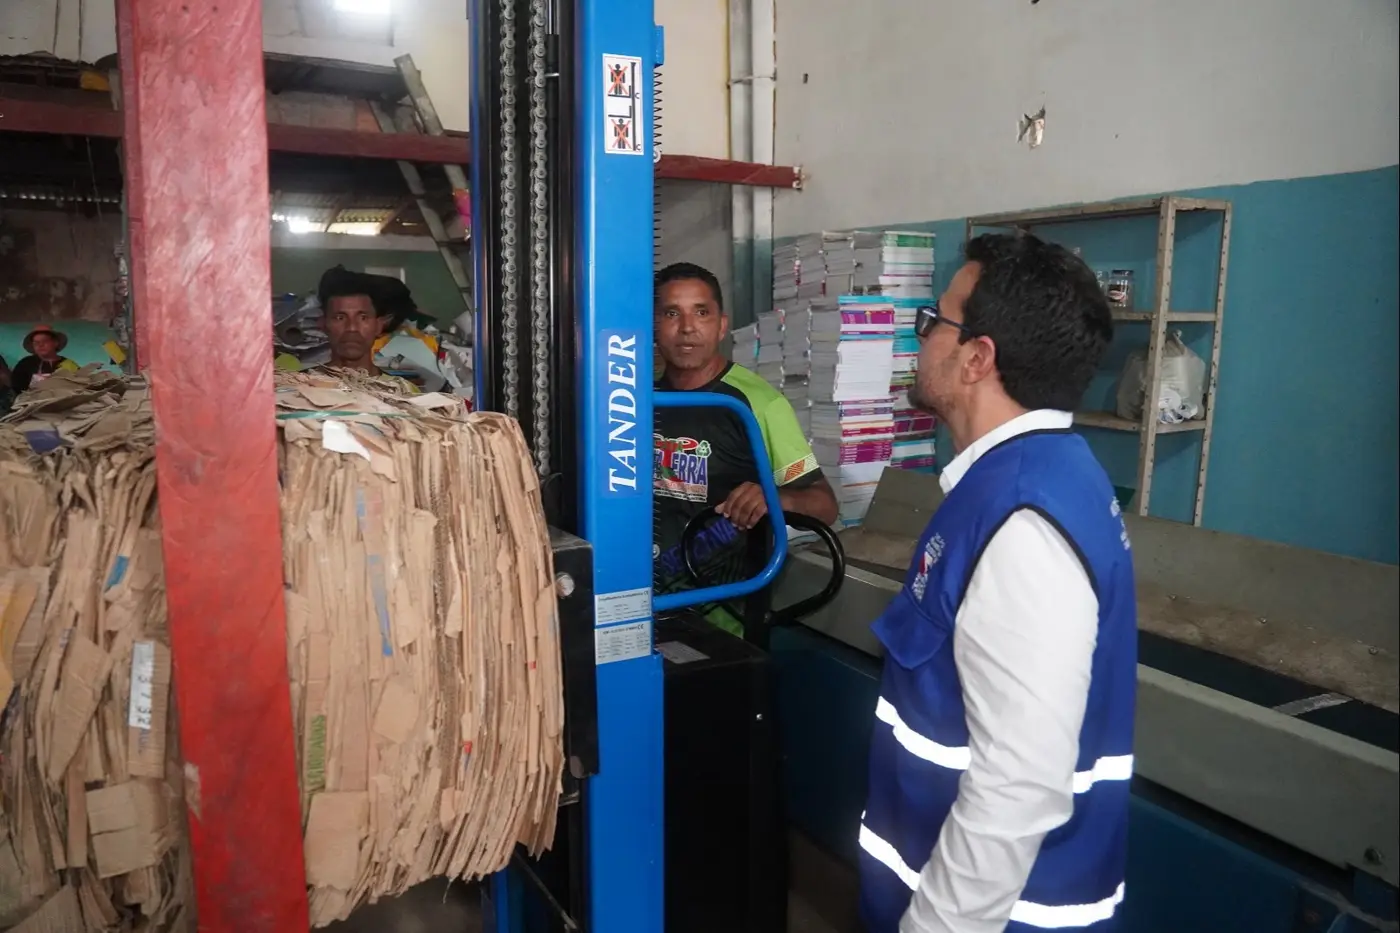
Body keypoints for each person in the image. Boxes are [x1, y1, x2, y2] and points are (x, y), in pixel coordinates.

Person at [858, 233, 1134, 933]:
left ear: (977, 358)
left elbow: (1019, 785)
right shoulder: (1029, 476)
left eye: (934, 321)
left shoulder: (1022, 521)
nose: (921, 337)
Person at [652, 261, 839, 635]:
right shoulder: (636, 400)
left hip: (724, 618)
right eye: (672, 313)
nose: (687, 327)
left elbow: (825, 504)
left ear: (721, 325)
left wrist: (775, 498)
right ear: (653, 325)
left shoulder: (758, 404)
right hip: (649, 602)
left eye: (701, 313)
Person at [8, 325, 80, 394]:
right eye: (36, 343)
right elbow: (17, 389)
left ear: (55, 343)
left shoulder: (69, 365)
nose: (40, 345)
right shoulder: (25, 364)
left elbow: (80, 387)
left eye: (45, 341)